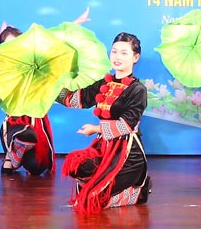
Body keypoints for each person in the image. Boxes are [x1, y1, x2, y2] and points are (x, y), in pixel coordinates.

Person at [57, 32, 152, 213]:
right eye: (114, 51)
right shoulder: (104, 83)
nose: (117, 57)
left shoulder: (138, 89)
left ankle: (139, 190)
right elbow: (76, 99)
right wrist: (52, 89)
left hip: (128, 154)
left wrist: (95, 128)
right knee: (77, 167)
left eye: (124, 53)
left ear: (135, 57)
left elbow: (127, 125)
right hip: (104, 147)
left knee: (92, 200)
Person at [0, 25, 56, 176]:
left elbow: (53, 40)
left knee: (38, 168)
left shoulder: (35, 64)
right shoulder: (2, 69)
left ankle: (16, 156)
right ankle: (11, 156)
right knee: (23, 135)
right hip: (16, 120)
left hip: (37, 119)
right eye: (8, 45)